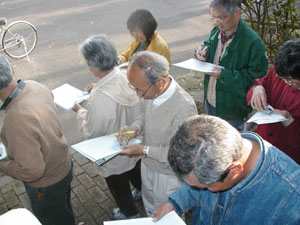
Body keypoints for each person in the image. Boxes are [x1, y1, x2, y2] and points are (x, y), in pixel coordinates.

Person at [152, 114, 300, 224]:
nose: (202, 190)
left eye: (207, 187)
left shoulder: (292, 200)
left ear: (235, 169)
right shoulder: (219, 147)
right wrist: (175, 203)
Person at [117, 51, 198, 212]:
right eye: (134, 88)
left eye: (140, 90)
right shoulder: (150, 91)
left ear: (161, 83)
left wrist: (143, 150)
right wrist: (135, 127)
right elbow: (142, 113)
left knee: (165, 214)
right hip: (148, 164)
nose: (137, 94)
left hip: (167, 175)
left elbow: (179, 154)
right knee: (149, 206)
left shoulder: (185, 108)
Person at [0, 54, 75, 225]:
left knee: (53, 219)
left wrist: (2, 165)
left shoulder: (15, 119)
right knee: (64, 209)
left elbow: (31, 171)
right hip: (64, 164)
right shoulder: (35, 86)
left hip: (47, 184)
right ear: (11, 68)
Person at [73, 34, 142, 220]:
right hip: (133, 144)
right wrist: (97, 88)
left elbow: (92, 130)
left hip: (112, 153)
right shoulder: (125, 75)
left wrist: (79, 110)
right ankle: (143, 193)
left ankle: (130, 214)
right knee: (136, 171)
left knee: (118, 186)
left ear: (94, 66)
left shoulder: (100, 98)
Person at [195, 0, 268, 130]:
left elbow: (257, 81)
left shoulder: (253, 43)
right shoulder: (217, 31)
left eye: (222, 17)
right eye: (214, 17)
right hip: (211, 101)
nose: (218, 22)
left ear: (237, 13)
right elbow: (208, 44)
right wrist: (203, 51)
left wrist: (224, 75)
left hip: (232, 110)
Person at [247, 38, 300, 164]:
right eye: (283, 78)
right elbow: (263, 81)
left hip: (289, 159)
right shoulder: (280, 72)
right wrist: (257, 88)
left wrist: (288, 120)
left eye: (291, 80)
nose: (286, 82)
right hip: (264, 146)